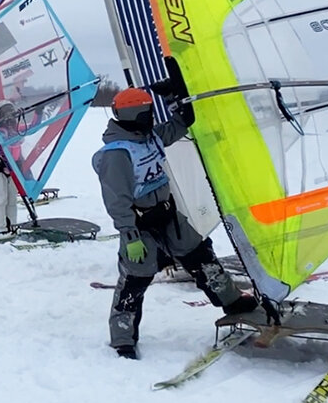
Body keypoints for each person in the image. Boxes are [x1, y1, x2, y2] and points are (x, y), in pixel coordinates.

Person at [94, 86, 256, 360]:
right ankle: (123, 338)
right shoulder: (116, 154)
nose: (151, 117)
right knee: (136, 279)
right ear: (135, 114)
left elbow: (181, 125)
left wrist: (175, 98)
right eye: (147, 112)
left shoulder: (150, 137)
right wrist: (130, 236)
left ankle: (232, 300)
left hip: (168, 215)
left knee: (201, 257)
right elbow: (117, 201)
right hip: (139, 224)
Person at [0, 101, 20, 234]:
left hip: (14, 166)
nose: (9, 117)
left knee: (12, 198)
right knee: (1, 198)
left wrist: (38, 112)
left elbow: (33, 126)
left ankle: (12, 225)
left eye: (11, 112)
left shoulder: (17, 129)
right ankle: (0, 228)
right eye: (6, 113)